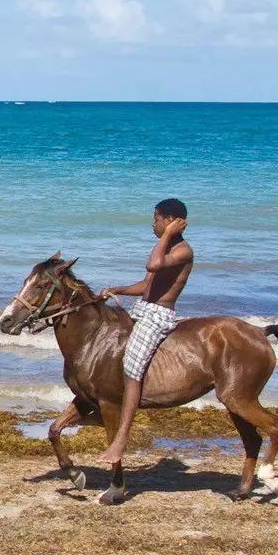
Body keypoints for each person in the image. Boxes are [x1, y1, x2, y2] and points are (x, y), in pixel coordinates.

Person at [94, 198, 193, 466]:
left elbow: (153, 266)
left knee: (132, 369)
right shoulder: (164, 247)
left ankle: (120, 441)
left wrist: (169, 235)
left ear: (170, 221)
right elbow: (146, 283)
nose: (153, 224)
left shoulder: (183, 250)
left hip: (158, 316)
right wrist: (117, 289)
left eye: (157, 219)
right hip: (142, 309)